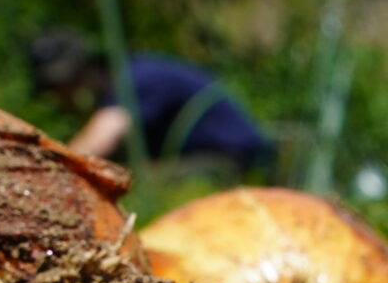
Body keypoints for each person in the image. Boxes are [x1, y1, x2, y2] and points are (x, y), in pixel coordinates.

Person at [27, 30, 278, 178]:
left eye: (62, 88)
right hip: (206, 156)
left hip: (233, 159)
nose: (61, 98)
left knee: (133, 182)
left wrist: (50, 173)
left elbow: (98, 142)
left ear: (86, 70)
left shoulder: (136, 78)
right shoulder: (125, 77)